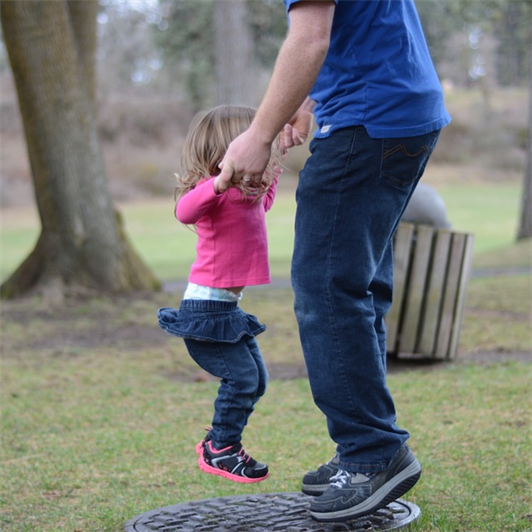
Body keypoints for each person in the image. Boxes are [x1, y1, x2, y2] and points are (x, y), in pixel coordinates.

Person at [215, 0, 451, 522]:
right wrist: (311, 96)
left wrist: (258, 134)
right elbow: (356, 29)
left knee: (327, 290)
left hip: (367, 121)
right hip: (401, 112)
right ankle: (363, 451)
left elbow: (310, 38)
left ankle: (372, 453)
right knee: (357, 286)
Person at [158, 105, 282, 484]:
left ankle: (220, 442)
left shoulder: (245, 197)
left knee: (257, 380)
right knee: (243, 380)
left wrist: (278, 157)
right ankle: (222, 449)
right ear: (228, 151)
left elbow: (265, 201)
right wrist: (218, 182)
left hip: (225, 310)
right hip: (205, 311)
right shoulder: (211, 195)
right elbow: (183, 211)